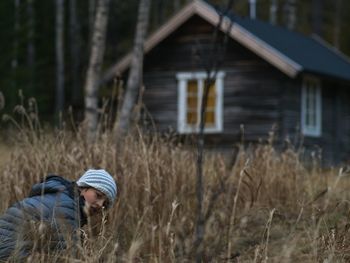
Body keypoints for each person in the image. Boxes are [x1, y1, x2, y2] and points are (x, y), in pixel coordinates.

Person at [0, 169, 117, 261]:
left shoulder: (61, 198)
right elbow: (66, 256)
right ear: (83, 187)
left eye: (105, 204)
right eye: (98, 195)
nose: (100, 205)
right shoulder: (66, 208)